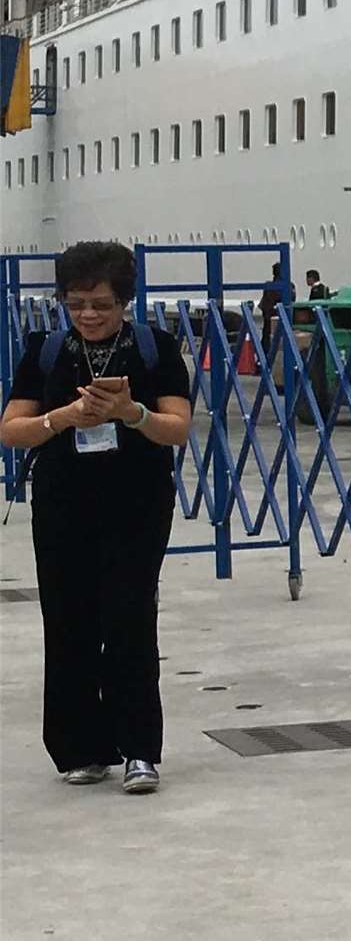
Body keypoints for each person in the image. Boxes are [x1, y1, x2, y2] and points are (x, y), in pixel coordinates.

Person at [2, 240, 194, 789]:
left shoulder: (154, 348)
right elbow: (11, 428)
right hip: (63, 503)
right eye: (77, 302)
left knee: (130, 619)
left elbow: (177, 427)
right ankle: (81, 747)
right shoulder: (46, 350)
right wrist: (61, 418)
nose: (89, 314)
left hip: (136, 502)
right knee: (68, 621)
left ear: (125, 302)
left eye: (102, 304)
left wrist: (131, 413)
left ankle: (139, 748)